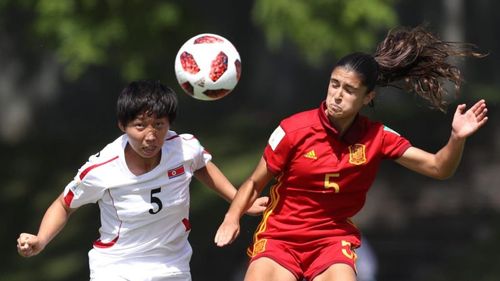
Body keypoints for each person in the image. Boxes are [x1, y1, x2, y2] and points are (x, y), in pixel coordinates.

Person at [214, 26, 488, 281]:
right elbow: (253, 183)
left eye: (349, 90)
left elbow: (439, 167)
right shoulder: (293, 129)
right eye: (334, 84)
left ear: (368, 97)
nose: (337, 95)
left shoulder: (378, 136)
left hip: (332, 242)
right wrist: (231, 218)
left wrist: (456, 138)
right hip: (279, 239)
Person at [17, 80, 268, 281]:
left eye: (159, 125)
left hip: (172, 266)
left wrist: (239, 201)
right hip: (116, 268)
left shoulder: (184, 149)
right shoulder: (102, 168)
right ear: (122, 126)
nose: (150, 136)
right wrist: (40, 240)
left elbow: (201, 166)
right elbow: (65, 204)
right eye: (140, 126)